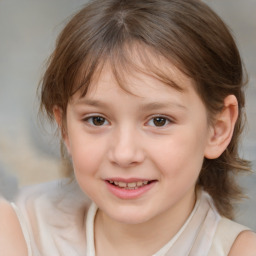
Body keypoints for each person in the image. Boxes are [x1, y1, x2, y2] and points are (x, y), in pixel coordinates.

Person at [7, 0, 256, 255]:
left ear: (218, 128)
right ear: (65, 129)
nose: (124, 154)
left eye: (159, 120)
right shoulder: (18, 227)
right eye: (97, 120)